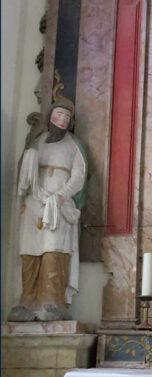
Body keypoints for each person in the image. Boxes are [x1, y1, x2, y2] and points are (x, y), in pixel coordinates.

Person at [9, 97, 88, 321]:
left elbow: (79, 176)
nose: (62, 119)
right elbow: (24, 170)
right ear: (50, 117)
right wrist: (30, 146)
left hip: (59, 204)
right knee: (30, 249)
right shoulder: (39, 142)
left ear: (71, 122)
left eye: (67, 116)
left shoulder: (74, 145)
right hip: (34, 202)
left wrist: (61, 196)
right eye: (59, 114)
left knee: (54, 249)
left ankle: (52, 302)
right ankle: (27, 301)